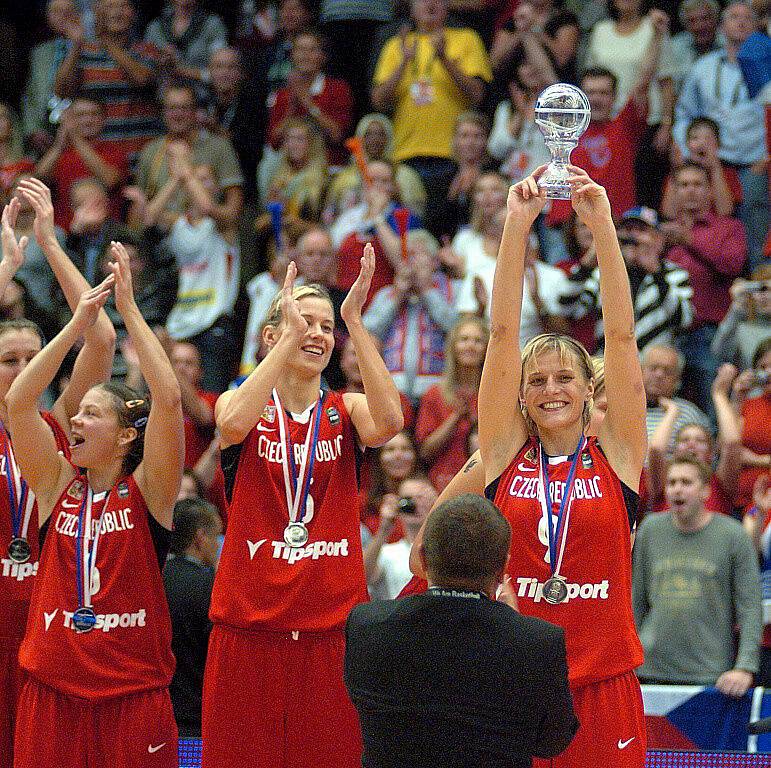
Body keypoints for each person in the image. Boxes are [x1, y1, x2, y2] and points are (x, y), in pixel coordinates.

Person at [201, 244, 404, 768]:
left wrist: (356, 323)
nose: (316, 333)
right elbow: (230, 425)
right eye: (301, 322)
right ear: (271, 335)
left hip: (328, 628)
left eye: (324, 326)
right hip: (249, 627)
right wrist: (284, 339)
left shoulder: (345, 408)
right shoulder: (238, 402)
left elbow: (389, 423)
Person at [478, 164, 648, 768]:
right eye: (538, 380)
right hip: (518, 686)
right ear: (521, 395)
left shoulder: (619, 457)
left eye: (565, 378)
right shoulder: (503, 455)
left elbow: (623, 339)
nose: (551, 389)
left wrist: (601, 226)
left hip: (606, 687)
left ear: (586, 392)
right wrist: (516, 228)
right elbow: (501, 334)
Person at [7, 240, 184, 768]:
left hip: (131, 698)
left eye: (89, 414)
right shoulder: (56, 483)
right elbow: (19, 401)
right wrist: (75, 324)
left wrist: (129, 310)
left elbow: (168, 397)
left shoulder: (151, 491)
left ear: (127, 436)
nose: (74, 423)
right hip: (52, 692)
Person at [0, 186, 116, 767]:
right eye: (9, 360)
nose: (24, 369)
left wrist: (49, 241)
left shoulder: (60, 424)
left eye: (31, 358)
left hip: (48, 617)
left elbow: (102, 338)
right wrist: (4, 272)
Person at [345, 493, 578, 768]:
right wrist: (515, 628)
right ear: (503, 565)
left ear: (422, 557)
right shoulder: (537, 641)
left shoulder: (367, 625)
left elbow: (362, 703)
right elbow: (553, 741)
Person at [633, 455, 761, 694]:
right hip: (650, 670)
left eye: (686, 482)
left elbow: (750, 607)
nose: (677, 490)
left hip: (710, 674)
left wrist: (745, 667)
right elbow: (635, 601)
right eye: (671, 483)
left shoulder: (732, 535)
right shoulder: (650, 529)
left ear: (705, 491)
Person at [673, 1, 768, 272]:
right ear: (722, 25)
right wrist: (684, 148)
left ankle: (758, 287)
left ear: (757, 25)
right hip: (710, 162)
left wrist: (767, 156)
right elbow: (684, 112)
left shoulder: (768, 66)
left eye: (747, 18)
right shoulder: (703, 67)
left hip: (753, 163)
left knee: (755, 232)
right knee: (709, 232)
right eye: (733, 17)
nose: (740, 22)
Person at [164, 497, 222, 737]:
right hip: (197, 720)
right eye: (217, 536)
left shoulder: (151, 579)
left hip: (158, 715)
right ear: (200, 538)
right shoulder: (212, 589)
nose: (219, 544)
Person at [415, 316, 487, 491]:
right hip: (442, 483)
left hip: (485, 484)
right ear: (453, 347)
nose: (470, 345)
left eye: (478, 341)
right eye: (464, 340)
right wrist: (455, 419)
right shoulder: (434, 394)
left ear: (487, 348)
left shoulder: (495, 394)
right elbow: (425, 452)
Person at [364, 474, 437, 599]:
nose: (414, 504)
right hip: (397, 615)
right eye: (408, 499)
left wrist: (439, 510)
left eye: (421, 498)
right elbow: (364, 576)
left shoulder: (442, 552)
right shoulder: (387, 552)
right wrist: (384, 529)